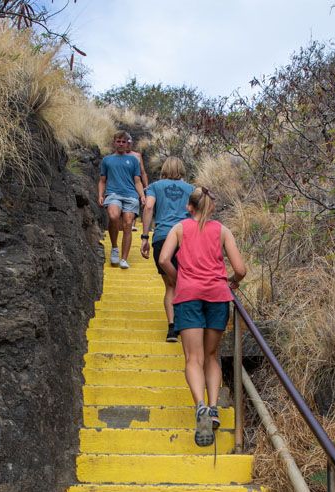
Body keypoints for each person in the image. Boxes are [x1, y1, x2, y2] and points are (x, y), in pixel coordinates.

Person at [159, 187, 247, 447]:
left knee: (193, 358)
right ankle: (213, 406)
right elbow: (241, 269)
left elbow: (164, 259)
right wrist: (232, 281)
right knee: (210, 356)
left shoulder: (179, 228)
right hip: (218, 296)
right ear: (212, 207)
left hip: (188, 297)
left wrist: (181, 280)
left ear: (189, 207)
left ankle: (200, 406)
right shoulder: (222, 231)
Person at [140, 157, 194, 342]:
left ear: (164, 168)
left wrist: (145, 236)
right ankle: (188, 324)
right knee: (186, 281)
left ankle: (172, 328)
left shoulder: (155, 187)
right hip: (186, 238)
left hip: (162, 238)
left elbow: (148, 207)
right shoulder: (191, 189)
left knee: (170, 285)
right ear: (182, 169)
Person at [98, 131, 145, 269]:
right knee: (113, 217)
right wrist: (100, 195)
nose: (121, 144)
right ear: (114, 142)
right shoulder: (107, 160)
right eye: (118, 141)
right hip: (113, 194)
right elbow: (102, 180)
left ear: (127, 143)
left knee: (128, 223)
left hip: (130, 195)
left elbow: (137, 181)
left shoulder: (134, 160)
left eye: (123, 142)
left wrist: (142, 195)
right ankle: (114, 247)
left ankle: (124, 259)